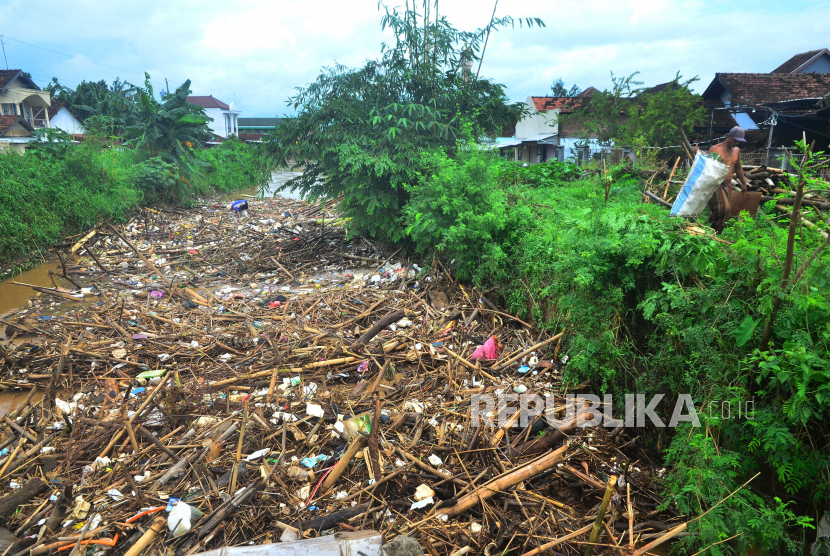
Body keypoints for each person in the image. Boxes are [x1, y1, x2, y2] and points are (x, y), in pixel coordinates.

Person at [694, 126, 750, 233]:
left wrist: (744, 183)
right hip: (716, 184)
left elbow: (738, 168)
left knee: (725, 213)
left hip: (728, 185)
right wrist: (698, 153)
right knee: (724, 208)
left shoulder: (736, 151)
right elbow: (708, 167)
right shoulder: (716, 149)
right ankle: (709, 226)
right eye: (735, 140)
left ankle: (715, 234)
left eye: (739, 141)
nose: (737, 143)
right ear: (729, 136)